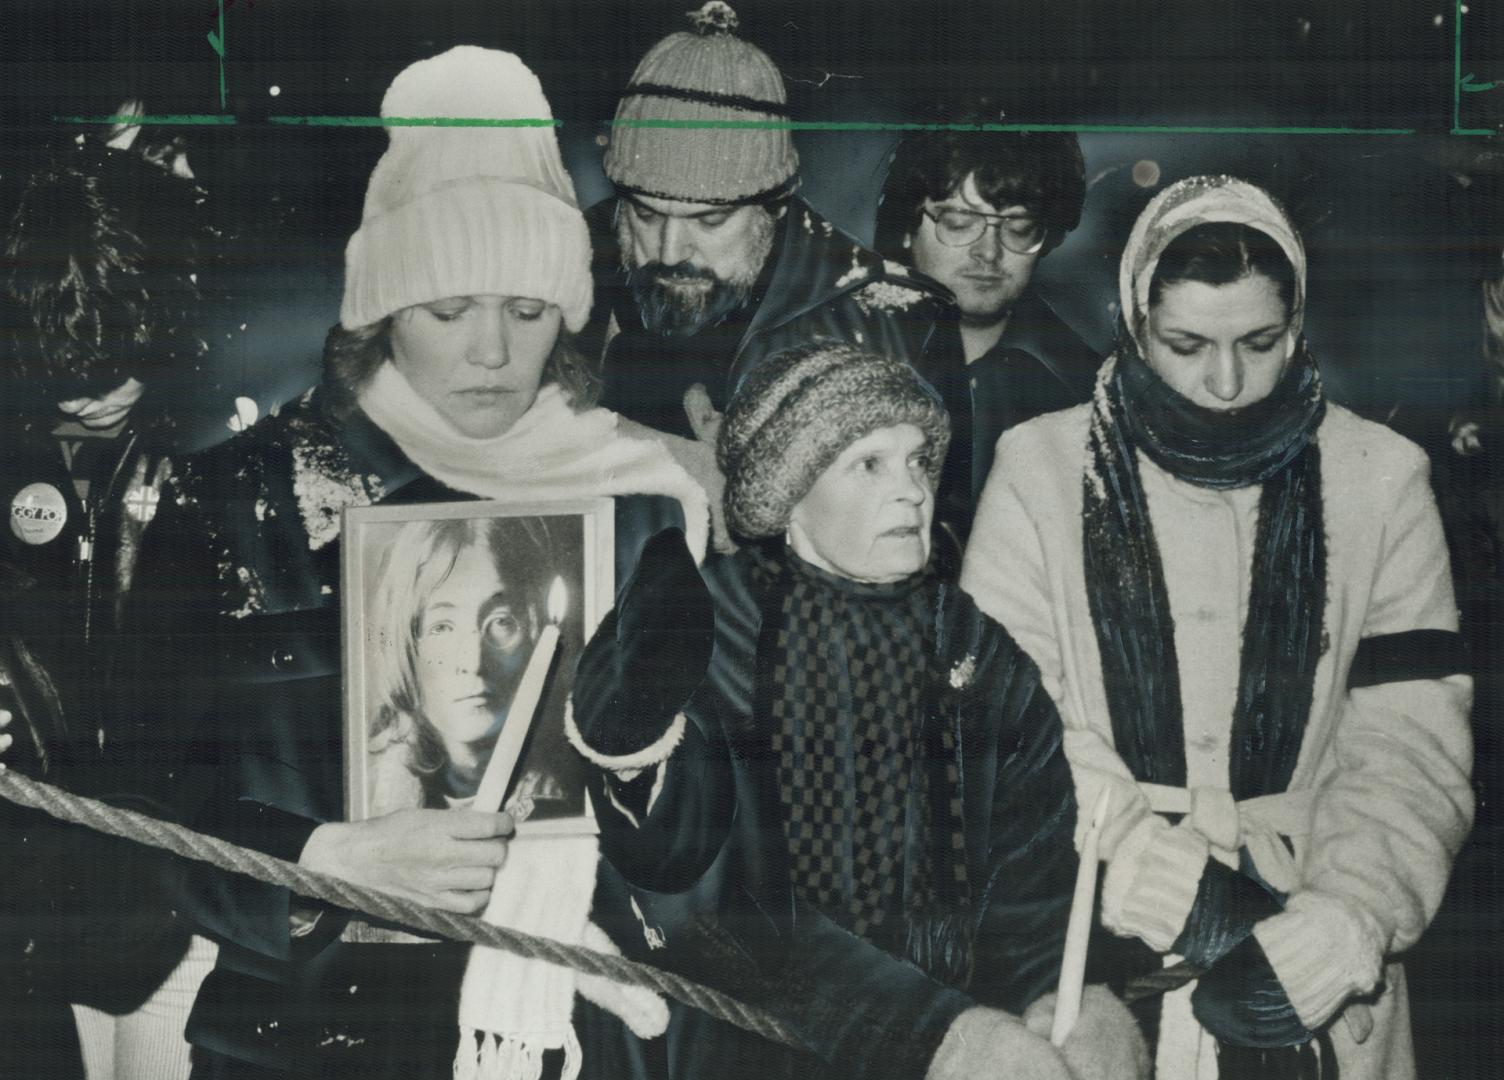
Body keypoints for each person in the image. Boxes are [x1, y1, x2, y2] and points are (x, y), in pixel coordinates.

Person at [128, 46, 718, 1079]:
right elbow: (136, 797)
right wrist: (315, 862)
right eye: (450, 310)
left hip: (566, 1038)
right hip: (299, 1046)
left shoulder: (634, 502)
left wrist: (636, 758)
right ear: (383, 303)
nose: (491, 353)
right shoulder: (234, 499)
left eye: (528, 311)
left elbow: (695, 861)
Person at [961, 175, 1475, 1078]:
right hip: (1093, 928)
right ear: (1134, 323)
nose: (1227, 381)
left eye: (1261, 342)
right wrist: (1161, 879)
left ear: (1298, 324)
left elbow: (1410, 745)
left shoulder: (1382, 479)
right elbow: (1006, 728)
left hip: (1310, 931)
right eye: (1188, 344)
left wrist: (1351, 913)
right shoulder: (1038, 470)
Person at [568, 342, 1149, 1080]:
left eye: (917, 461)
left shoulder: (970, 646)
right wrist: (937, 1035)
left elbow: (1033, 882)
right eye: (868, 464)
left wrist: (1073, 1005)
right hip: (739, 1051)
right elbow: (712, 914)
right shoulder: (703, 636)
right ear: (789, 494)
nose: (911, 489)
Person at [584, 1, 974, 546]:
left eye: (710, 219)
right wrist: (667, 459)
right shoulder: (552, 278)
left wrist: (783, 510)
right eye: (646, 213)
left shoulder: (901, 324)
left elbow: (943, 551)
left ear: (777, 206)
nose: (670, 251)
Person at [0, 136, 217, 1080]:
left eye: (115, 361)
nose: (86, 395)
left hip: (188, 899)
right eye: (61, 367)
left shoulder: (223, 468)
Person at [875, 118, 1100, 497]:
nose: (989, 252)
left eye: (1018, 227)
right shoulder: (842, 349)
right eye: (960, 222)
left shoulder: (1088, 390)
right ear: (906, 222)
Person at [364, 516, 582, 823]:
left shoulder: (577, 797)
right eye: (442, 627)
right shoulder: (367, 797)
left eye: (501, 622)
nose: (474, 663)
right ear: (407, 647)